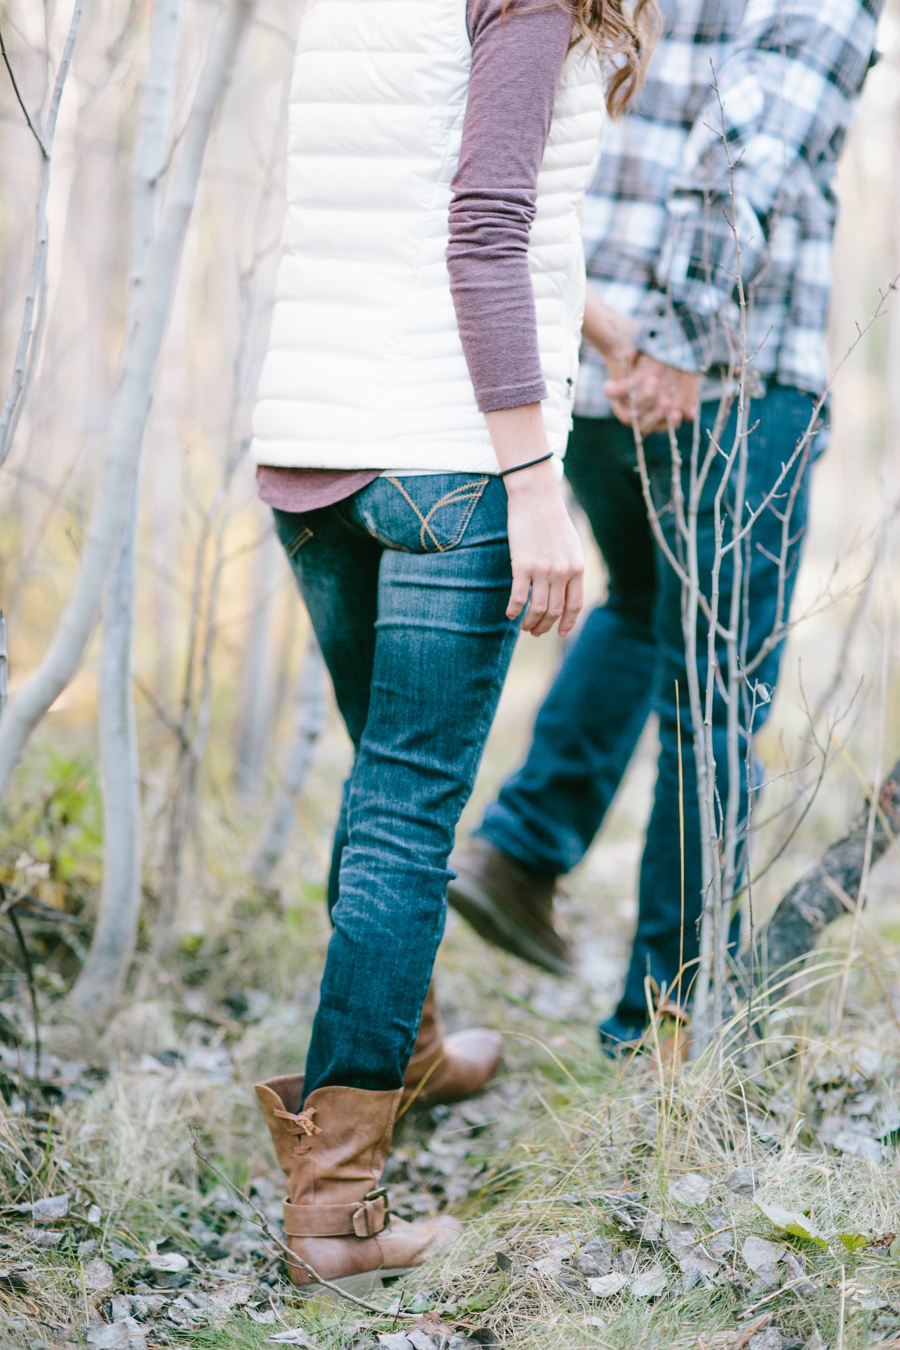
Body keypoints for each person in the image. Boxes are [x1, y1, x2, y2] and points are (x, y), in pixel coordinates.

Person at [248, 0, 653, 1292]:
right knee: (409, 813)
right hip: (448, 457)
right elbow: (484, 228)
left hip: (314, 442)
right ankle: (337, 1203)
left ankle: (403, 1044)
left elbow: (421, 190)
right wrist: (535, 477)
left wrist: (603, 335)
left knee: (387, 792)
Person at [449, 0, 882, 1048]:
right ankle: (663, 1021)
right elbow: (750, 146)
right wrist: (684, 338)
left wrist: (619, 342)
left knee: (644, 609)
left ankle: (524, 845)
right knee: (719, 695)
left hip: (596, 368)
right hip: (722, 380)